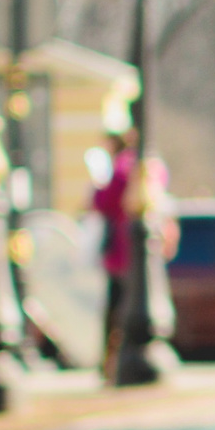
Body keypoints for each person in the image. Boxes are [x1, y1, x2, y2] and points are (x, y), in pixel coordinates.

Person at [89, 131, 134, 373]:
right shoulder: (143, 166)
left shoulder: (120, 170)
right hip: (132, 253)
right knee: (125, 308)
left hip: (121, 252)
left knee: (116, 311)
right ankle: (117, 360)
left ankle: (111, 363)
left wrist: (97, 187)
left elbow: (102, 202)